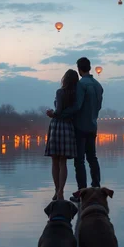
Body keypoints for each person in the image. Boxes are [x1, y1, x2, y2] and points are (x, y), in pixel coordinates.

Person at [47, 57, 103, 203]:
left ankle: (82, 192)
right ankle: (96, 187)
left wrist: (58, 114)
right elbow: (99, 107)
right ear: (90, 67)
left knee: (79, 162)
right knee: (92, 158)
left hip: (79, 126)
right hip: (92, 125)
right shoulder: (98, 85)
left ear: (79, 68)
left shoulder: (81, 84)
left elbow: (77, 106)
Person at [45, 69, 79, 200]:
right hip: (68, 127)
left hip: (57, 126)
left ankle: (56, 190)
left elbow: (58, 111)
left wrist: (51, 113)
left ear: (64, 79)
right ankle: (61, 191)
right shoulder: (76, 94)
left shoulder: (60, 92)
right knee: (63, 162)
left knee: (55, 160)